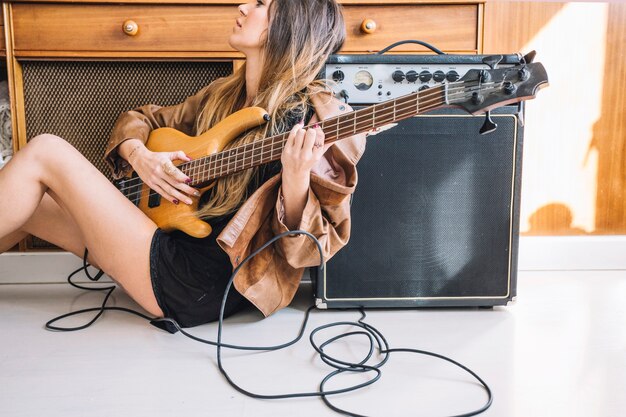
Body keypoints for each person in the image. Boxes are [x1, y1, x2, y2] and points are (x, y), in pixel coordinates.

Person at [0, 0, 366, 328]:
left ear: (290, 26)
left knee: (46, 150)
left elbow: (305, 251)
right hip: (166, 241)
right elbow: (143, 119)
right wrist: (140, 157)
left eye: (258, 3)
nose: (240, 7)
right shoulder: (222, 94)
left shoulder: (313, 118)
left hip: (198, 284)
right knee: (31, 202)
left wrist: (297, 178)